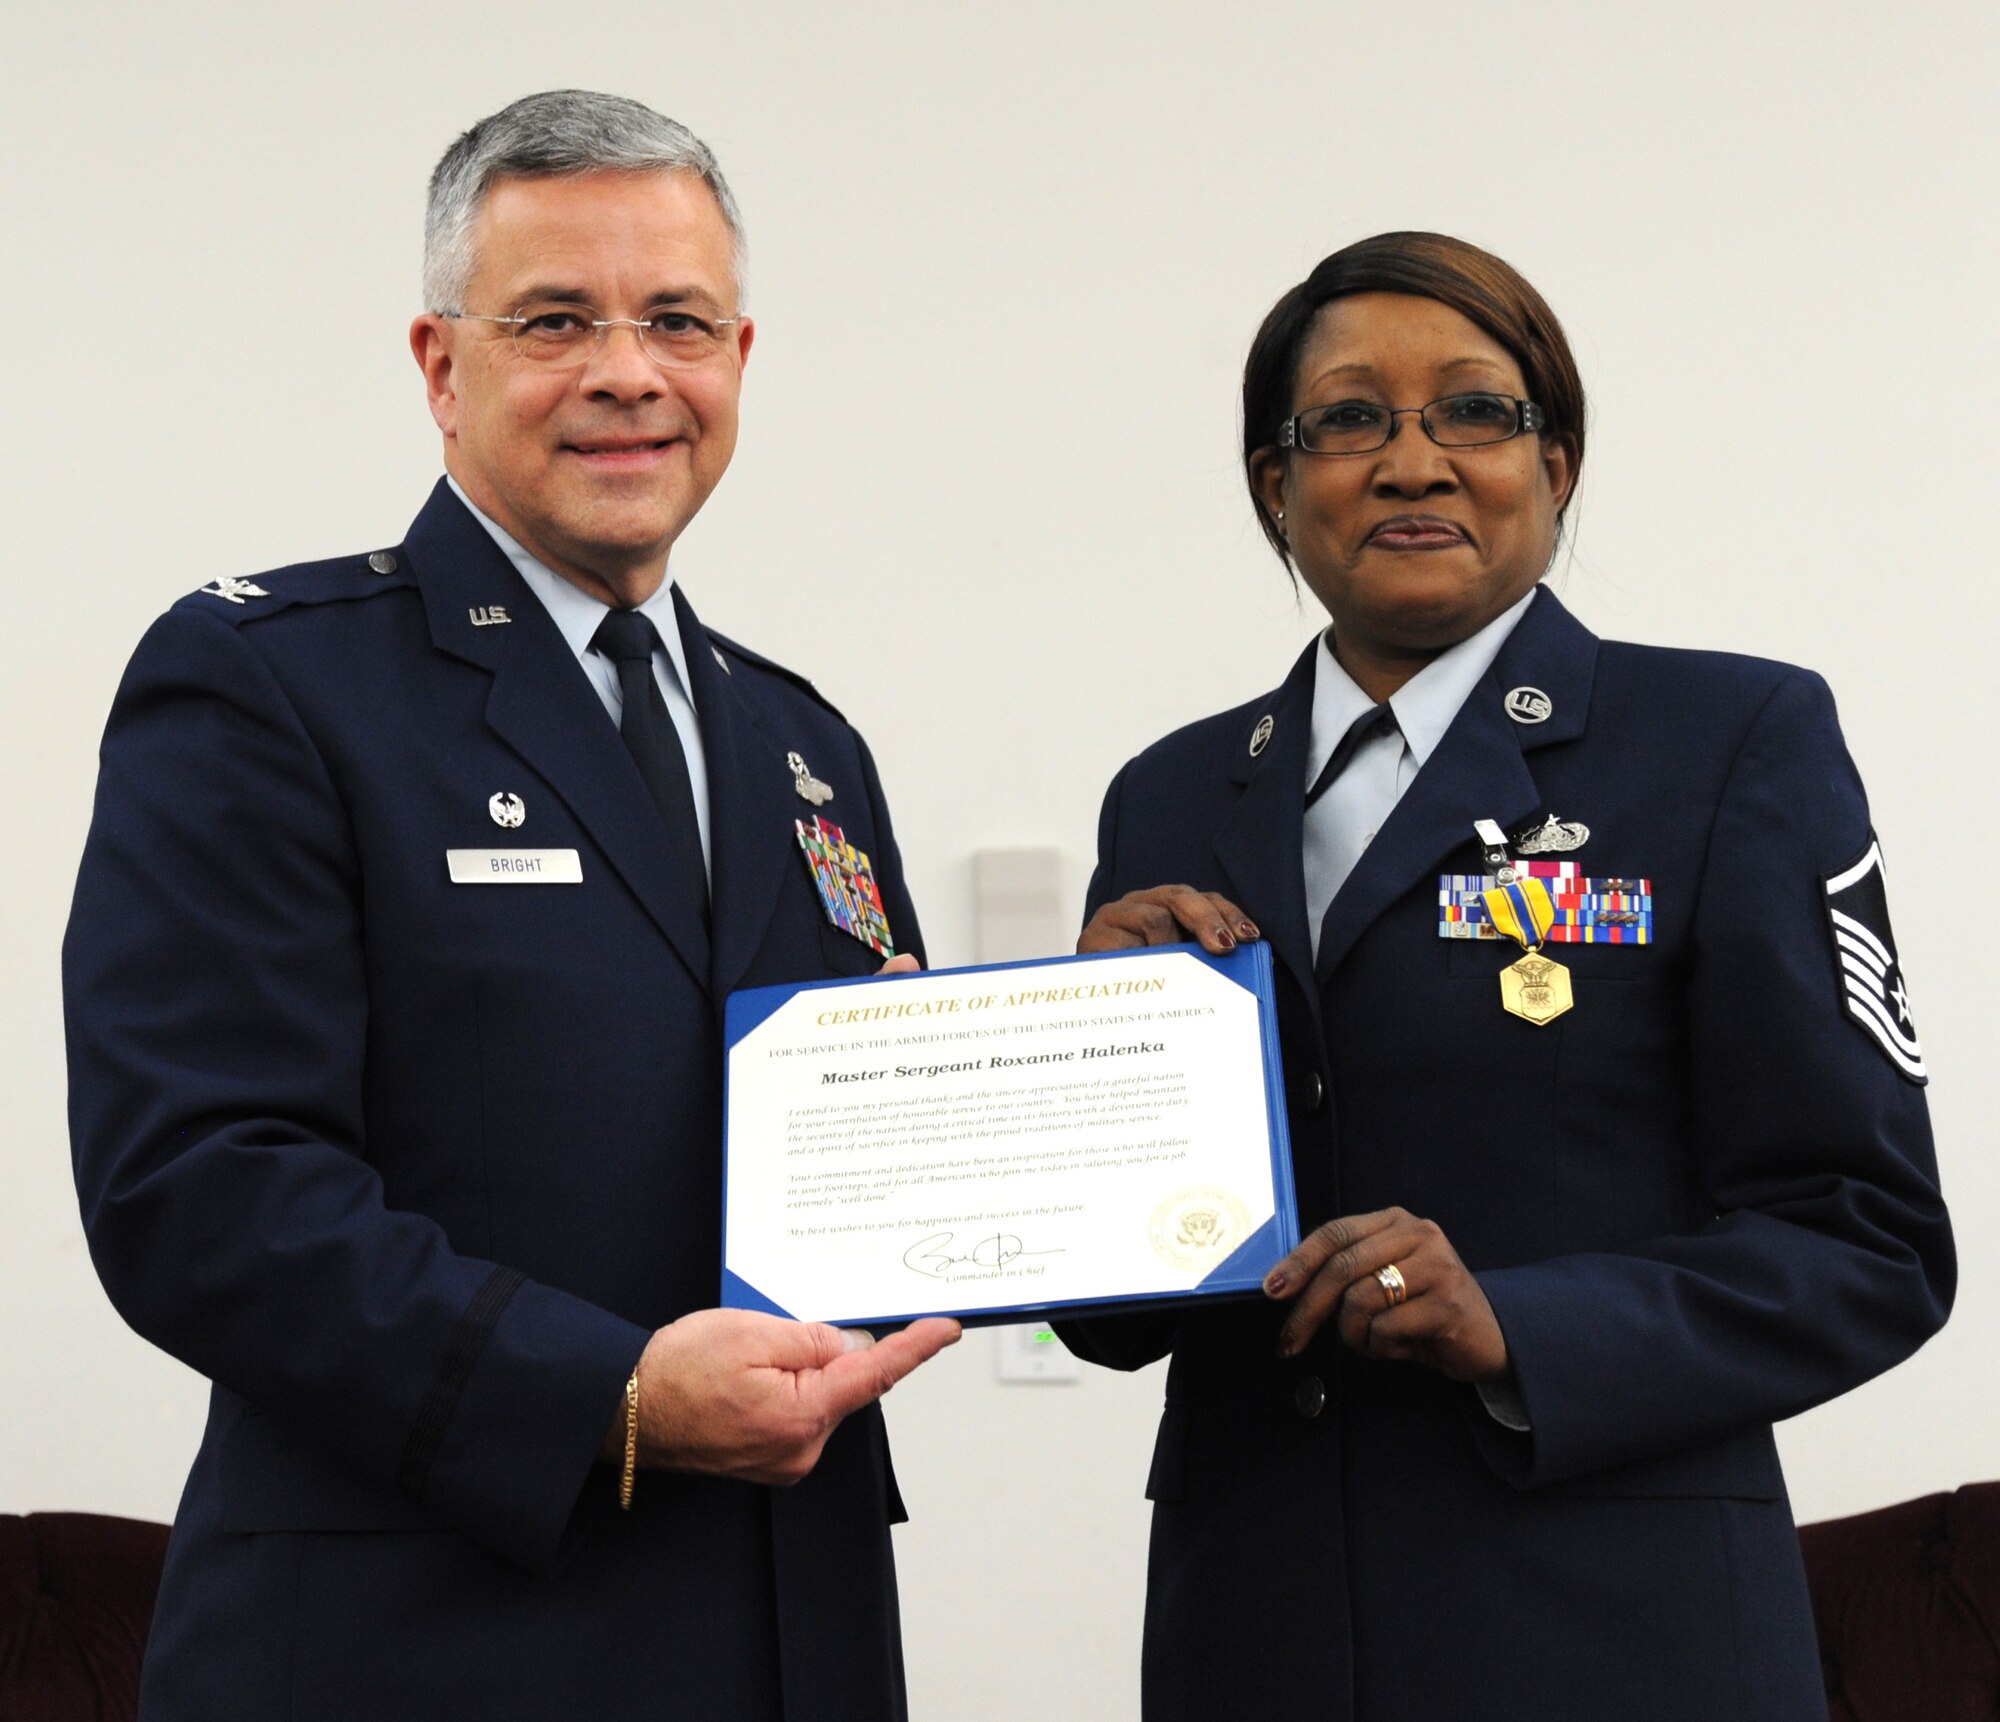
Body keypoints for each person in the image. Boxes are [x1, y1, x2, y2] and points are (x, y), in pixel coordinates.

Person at [64, 90, 958, 1722]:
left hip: (787, 1635)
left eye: (677, 320)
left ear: (738, 362)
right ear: (440, 365)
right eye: (557, 319)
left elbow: (890, 1148)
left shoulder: (804, 745)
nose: (629, 369)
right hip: (418, 1648)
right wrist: (609, 1392)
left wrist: (1137, 1050)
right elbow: (195, 1188)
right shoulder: (271, 684)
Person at [1059, 231, 1953, 1722]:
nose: (1411, 462)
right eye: (1348, 418)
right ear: (1276, 486)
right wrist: (1086, 1073)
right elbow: (1110, 1313)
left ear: (1558, 461)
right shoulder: (1172, 793)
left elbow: (1870, 1246)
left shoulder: (1730, 744)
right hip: (1256, 1631)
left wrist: (1519, 1325)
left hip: (1613, 1635)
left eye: (1473, 410)